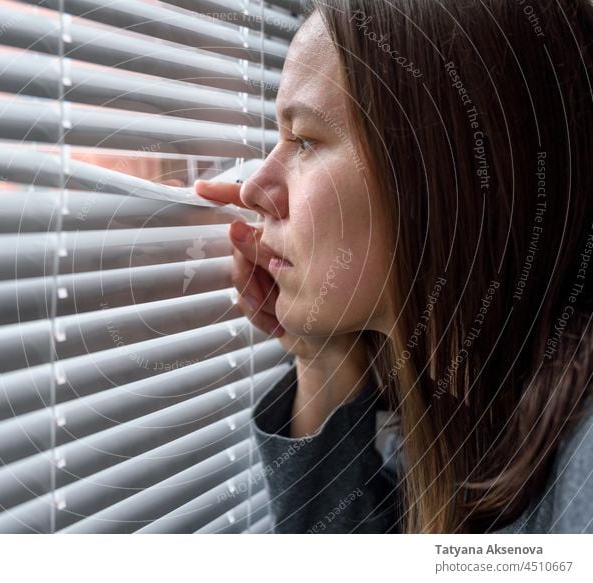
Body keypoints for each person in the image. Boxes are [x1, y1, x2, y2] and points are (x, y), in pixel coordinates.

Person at [194, 0, 593, 534]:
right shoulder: (450, 399)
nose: (252, 189)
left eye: (306, 140)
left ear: (447, 176)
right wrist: (322, 359)